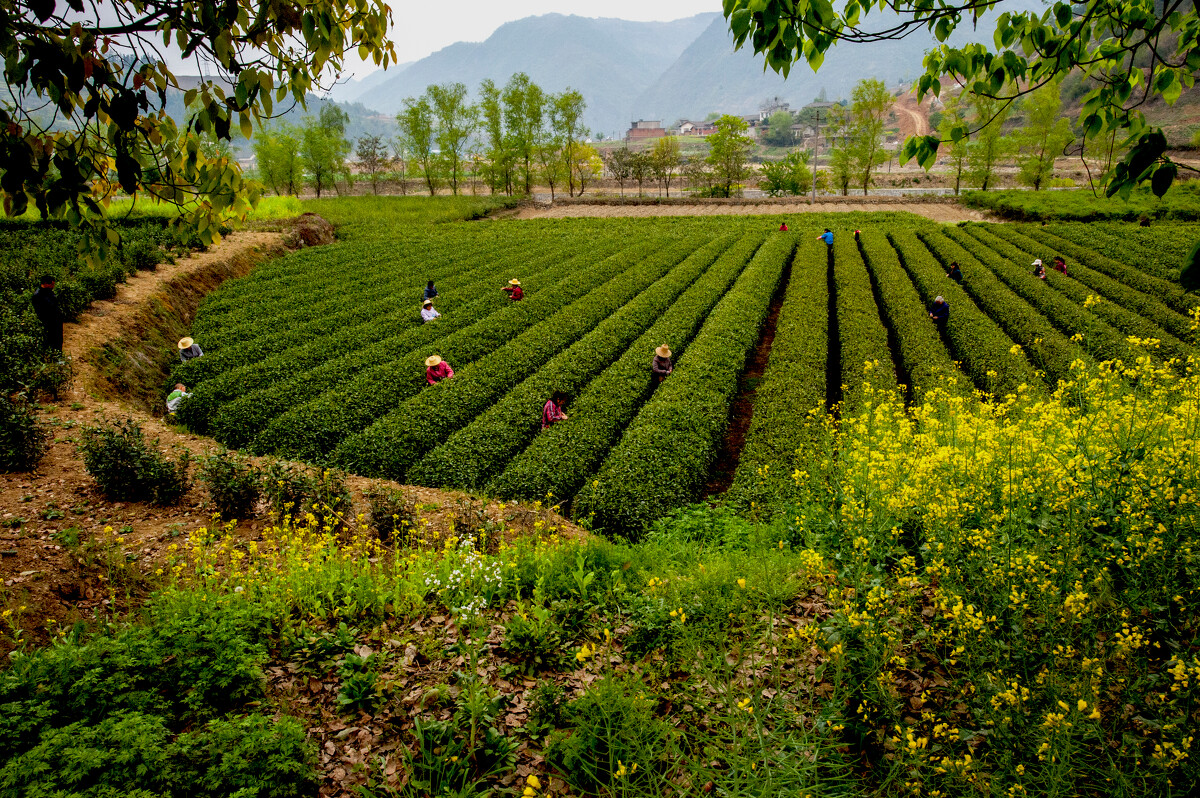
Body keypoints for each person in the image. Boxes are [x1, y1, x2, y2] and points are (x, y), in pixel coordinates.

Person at [31, 275, 63, 353]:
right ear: (45, 283)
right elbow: (40, 311)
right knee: (50, 340)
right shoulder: (38, 295)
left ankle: (58, 355)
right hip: (48, 322)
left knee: (58, 339)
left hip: (55, 320)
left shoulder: (49, 292)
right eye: (51, 284)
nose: (53, 286)